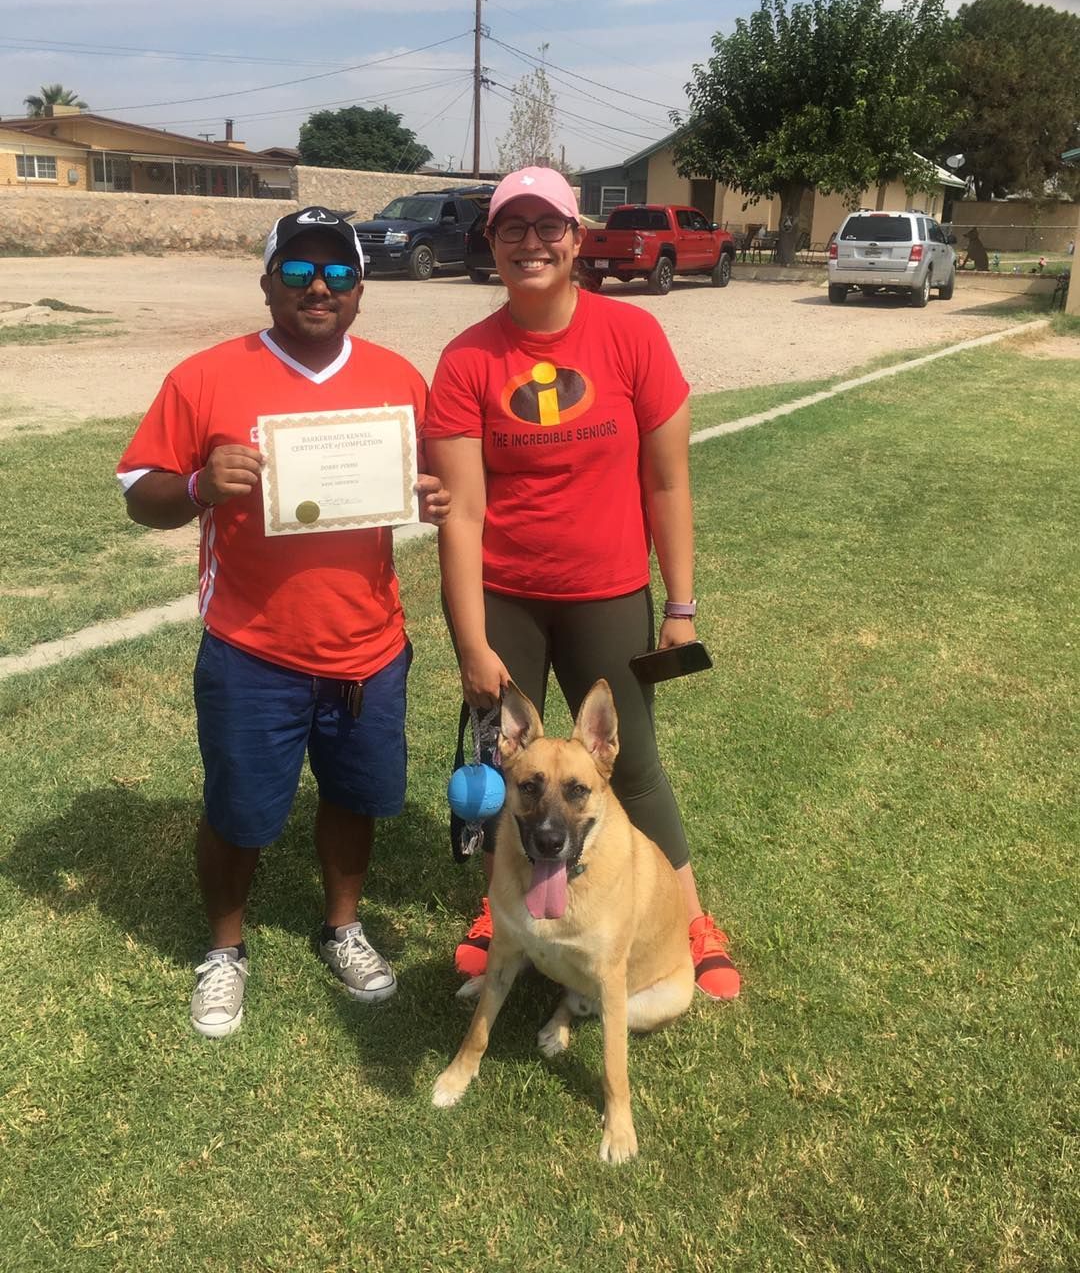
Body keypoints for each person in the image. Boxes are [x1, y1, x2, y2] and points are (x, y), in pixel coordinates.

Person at [117, 207, 449, 1038]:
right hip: (251, 648)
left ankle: (342, 925)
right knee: (239, 811)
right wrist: (196, 485)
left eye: (337, 273)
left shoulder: (399, 380)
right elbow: (137, 492)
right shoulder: (206, 377)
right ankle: (225, 950)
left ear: (361, 290)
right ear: (267, 283)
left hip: (369, 646)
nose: (318, 287)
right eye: (297, 272)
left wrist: (433, 498)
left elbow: (436, 480)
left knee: (356, 797)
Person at [424, 167, 740, 1001]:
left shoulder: (631, 337)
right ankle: (504, 907)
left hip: (607, 593)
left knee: (625, 763)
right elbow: (460, 513)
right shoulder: (466, 360)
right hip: (507, 597)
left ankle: (690, 916)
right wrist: (471, 641)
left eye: (548, 226)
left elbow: (668, 485)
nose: (531, 243)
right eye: (511, 229)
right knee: (509, 773)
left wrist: (679, 606)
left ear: (577, 237)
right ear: (490, 243)